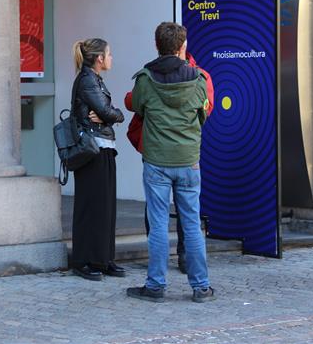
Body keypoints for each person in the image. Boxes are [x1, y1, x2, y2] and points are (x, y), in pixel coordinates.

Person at [126, 22, 215, 303]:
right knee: (192, 225)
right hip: (188, 161)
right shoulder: (200, 79)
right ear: (183, 46)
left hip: (156, 161)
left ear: (157, 45)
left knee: (158, 224)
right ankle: (201, 287)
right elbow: (205, 112)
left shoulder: (145, 79)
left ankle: (155, 286)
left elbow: (134, 104)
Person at [70, 38, 126, 281]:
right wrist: (114, 115)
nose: (111, 58)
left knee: (105, 206)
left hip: (103, 147)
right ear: (100, 58)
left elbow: (105, 113)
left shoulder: (95, 79)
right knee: (91, 206)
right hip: (92, 149)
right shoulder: (87, 81)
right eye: (109, 54)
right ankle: (84, 260)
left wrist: (109, 115)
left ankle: (103, 259)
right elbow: (107, 112)